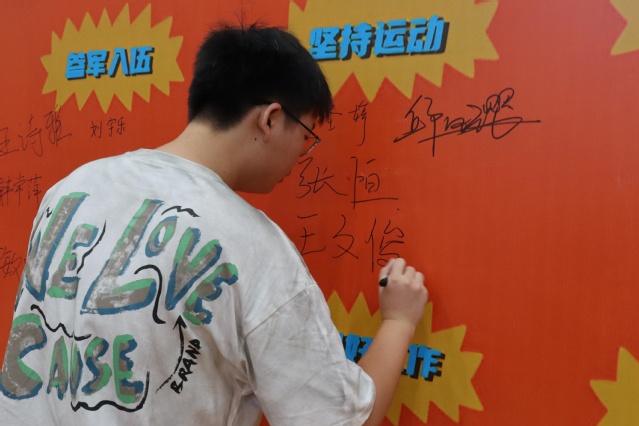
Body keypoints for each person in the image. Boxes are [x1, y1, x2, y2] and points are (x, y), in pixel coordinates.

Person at [0, 22, 428, 425]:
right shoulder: (251, 244)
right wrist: (399, 322)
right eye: (307, 134)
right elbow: (340, 419)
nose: (303, 154)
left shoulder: (71, 189)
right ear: (271, 119)